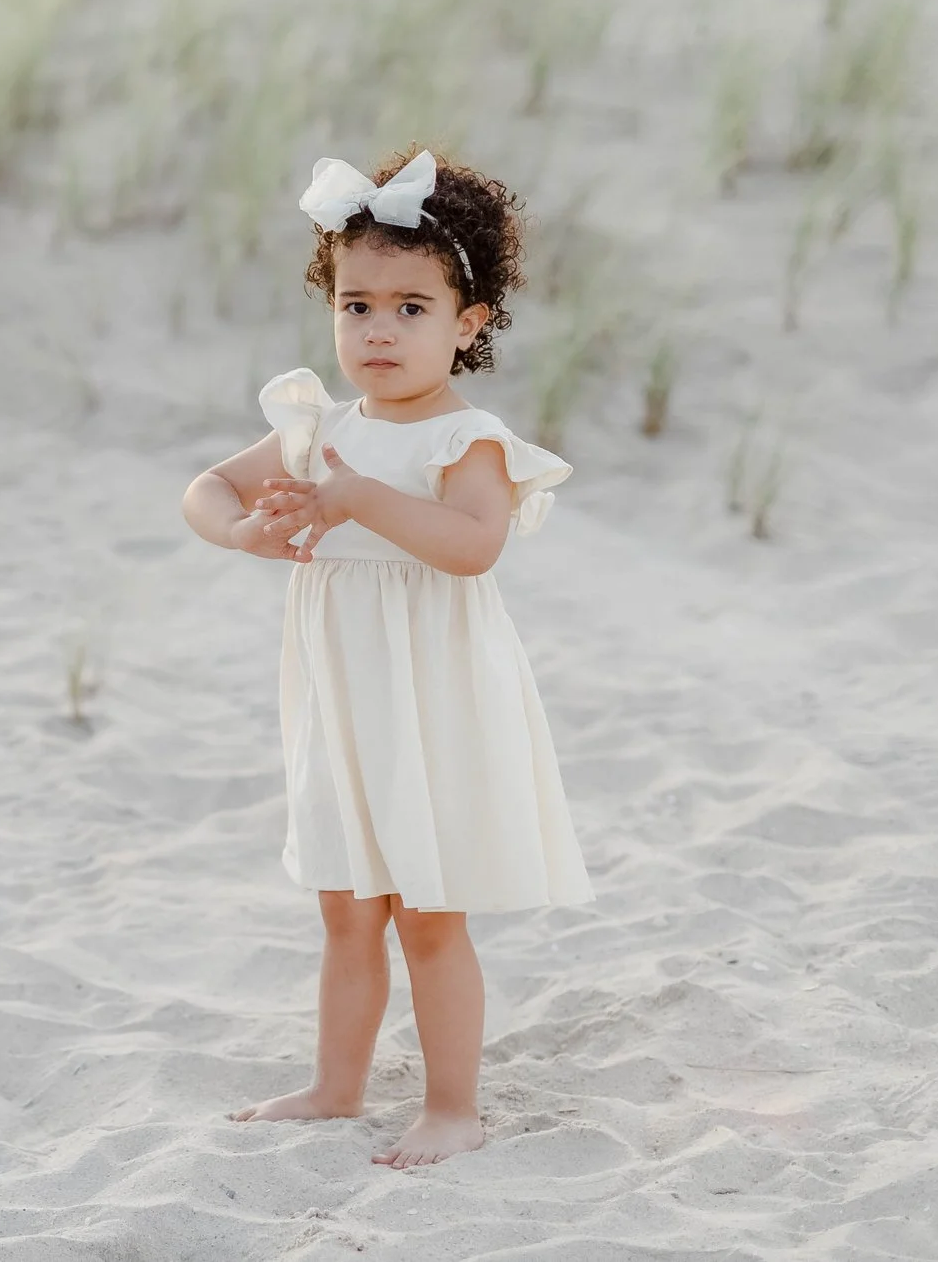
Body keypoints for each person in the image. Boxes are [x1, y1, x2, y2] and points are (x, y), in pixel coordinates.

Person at [180, 144, 593, 1168]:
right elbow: (206, 490)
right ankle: (336, 1083)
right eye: (356, 304)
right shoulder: (319, 424)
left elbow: (471, 546)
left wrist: (361, 496)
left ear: (468, 323)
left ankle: (453, 1102)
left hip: (429, 693)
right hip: (341, 692)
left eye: (411, 308)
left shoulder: (468, 439)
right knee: (345, 901)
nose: (377, 329)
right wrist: (246, 534)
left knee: (425, 907)